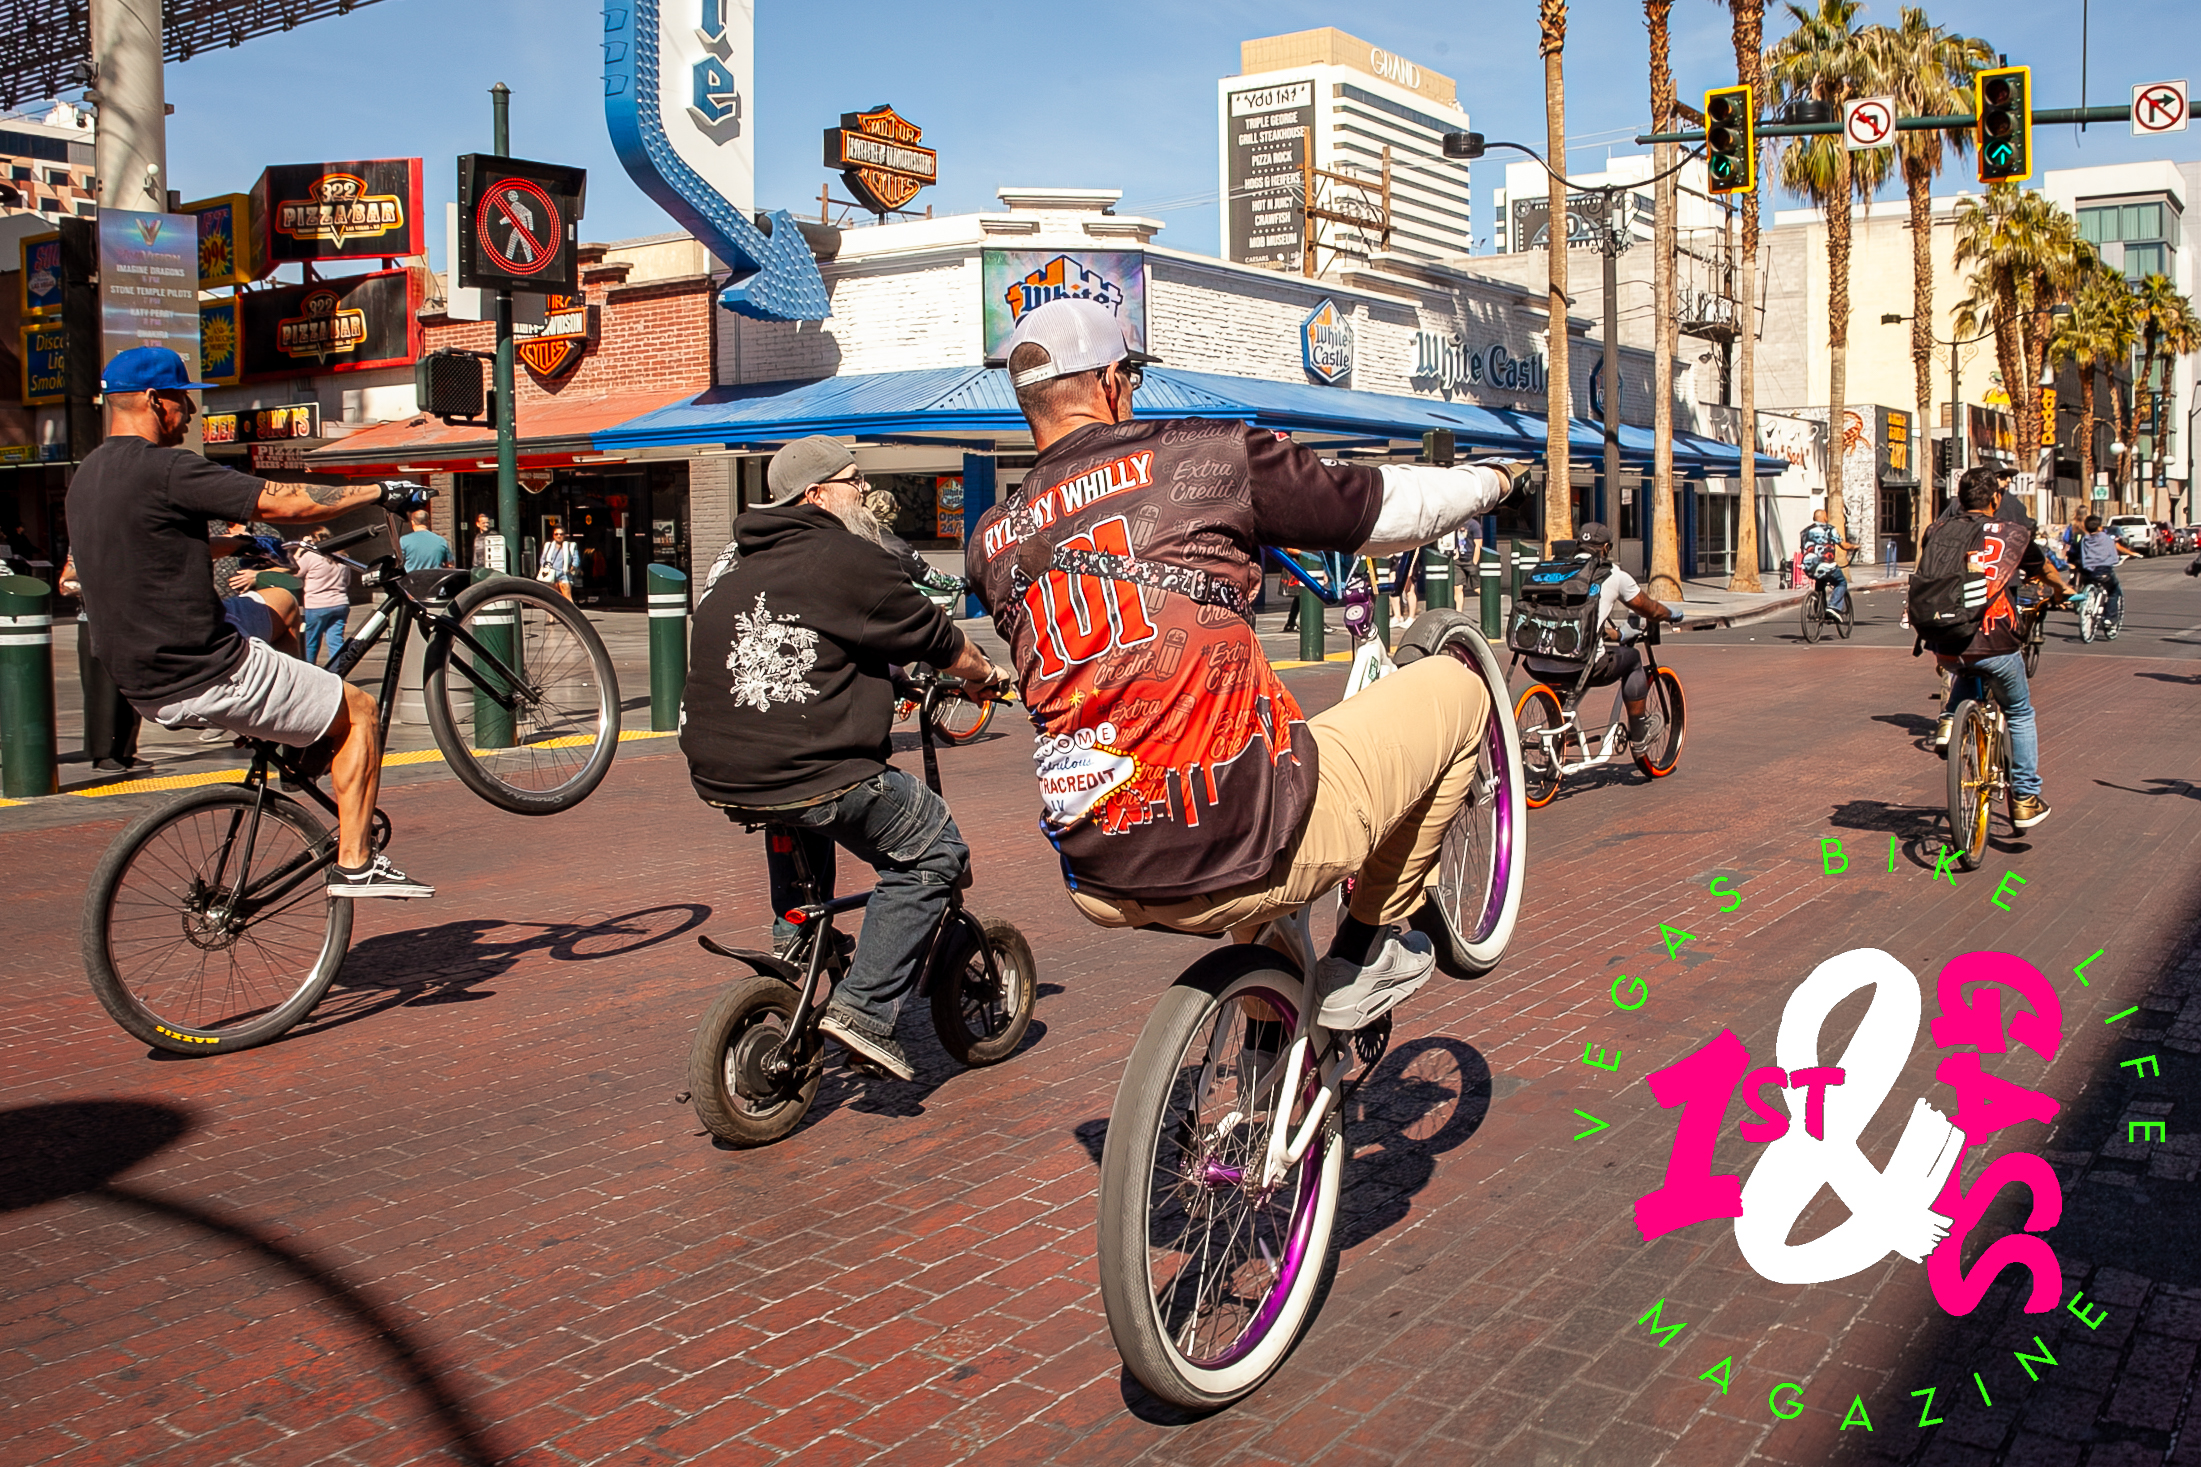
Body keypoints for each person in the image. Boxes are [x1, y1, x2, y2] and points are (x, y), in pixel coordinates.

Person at [965, 297, 1526, 1032]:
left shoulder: (991, 539)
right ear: (1110, 382)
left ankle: (1267, 1051)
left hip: (1098, 866)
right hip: (1238, 830)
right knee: (1459, 691)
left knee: (1219, 773)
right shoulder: (1209, 454)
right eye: (1130, 377)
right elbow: (1382, 509)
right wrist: (1492, 482)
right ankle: (1367, 946)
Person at [680, 435, 1013, 1081]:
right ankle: (863, 1010)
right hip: (808, 764)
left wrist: (887, 679)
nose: (865, 491)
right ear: (817, 495)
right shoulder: (845, 554)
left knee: (797, 814)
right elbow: (936, 637)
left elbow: (816, 636)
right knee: (932, 851)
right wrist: (986, 676)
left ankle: (799, 939)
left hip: (720, 768)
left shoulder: (733, 559)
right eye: (854, 480)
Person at [65, 345, 434, 897]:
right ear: (154, 400)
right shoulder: (166, 468)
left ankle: (297, 735)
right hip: (204, 666)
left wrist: (236, 545)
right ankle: (357, 864)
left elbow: (152, 546)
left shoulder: (88, 476)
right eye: (184, 400)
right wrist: (383, 490)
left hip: (137, 673)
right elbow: (289, 503)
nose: (191, 413)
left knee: (281, 602)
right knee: (360, 711)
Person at [1923, 466, 2070, 829]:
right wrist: (2060, 589)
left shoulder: (1936, 530)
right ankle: (2025, 798)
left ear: (1959, 499)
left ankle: (1948, 721)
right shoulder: (2013, 532)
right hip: (1995, 639)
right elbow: (2043, 569)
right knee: (2019, 711)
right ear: (1996, 498)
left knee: (1966, 666)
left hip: (1945, 639)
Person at [1519, 522, 1677, 752]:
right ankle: (1639, 734)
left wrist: (1616, 634)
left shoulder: (1554, 571)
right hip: (1582, 666)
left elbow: (1574, 621)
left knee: (1566, 664)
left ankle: (1562, 726)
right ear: (1606, 548)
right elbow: (1650, 609)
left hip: (1535, 664)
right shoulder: (1613, 574)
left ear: (1577, 545)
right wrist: (1671, 614)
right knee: (1632, 658)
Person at [58, 554, 146, 772]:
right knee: (101, 688)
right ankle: (103, 752)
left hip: (131, 617)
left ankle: (126, 750)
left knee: (131, 684)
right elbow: (69, 581)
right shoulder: (87, 538)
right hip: (96, 618)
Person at [2072, 513, 2142, 634]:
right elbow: (2114, 553)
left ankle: (2087, 603)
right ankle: (2109, 618)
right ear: (2099, 527)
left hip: (2088, 572)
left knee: (2089, 586)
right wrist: (2124, 557)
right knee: (2114, 592)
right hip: (2104, 572)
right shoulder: (2106, 538)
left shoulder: (2084, 539)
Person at [295, 528, 356, 667]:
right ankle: (338, 671)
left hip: (316, 605)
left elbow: (294, 572)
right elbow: (347, 582)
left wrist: (299, 550)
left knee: (311, 642)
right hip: (340, 602)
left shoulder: (310, 556)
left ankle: (309, 670)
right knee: (336, 641)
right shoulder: (342, 557)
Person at [1799, 508, 1859, 619]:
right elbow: (1843, 545)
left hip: (1808, 567)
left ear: (1814, 518)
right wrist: (1854, 547)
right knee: (1841, 582)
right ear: (1825, 518)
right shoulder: (1830, 529)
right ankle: (1833, 607)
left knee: (1820, 579)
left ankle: (1818, 608)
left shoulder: (1804, 532)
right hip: (1827, 566)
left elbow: (1803, 548)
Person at [538, 526, 579, 600]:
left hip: (564, 575)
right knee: (553, 599)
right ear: (553, 535)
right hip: (551, 576)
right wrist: (545, 568)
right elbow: (543, 559)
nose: (559, 536)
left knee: (567, 599)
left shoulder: (570, 546)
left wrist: (573, 566)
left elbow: (576, 559)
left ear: (564, 535)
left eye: (561, 534)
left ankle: (568, 609)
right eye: (556, 534)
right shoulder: (548, 546)